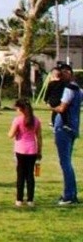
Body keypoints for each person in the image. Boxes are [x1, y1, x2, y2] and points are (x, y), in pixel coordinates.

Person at [50, 62, 81, 206]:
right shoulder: (79, 89)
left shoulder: (69, 89)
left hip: (64, 127)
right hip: (73, 127)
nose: (61, 75)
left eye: (63, 73)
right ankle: (72, 193)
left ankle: (68, 195)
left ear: (69, 73)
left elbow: (62, 108)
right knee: (68, 162)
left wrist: (52, 107)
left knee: (65, 163)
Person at [8, 98, 42, 207]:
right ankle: (30, 200)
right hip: (32, 150)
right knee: (30, 176)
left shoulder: (18, 120)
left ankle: (19, 199)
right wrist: (39, 151)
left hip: (20, 150)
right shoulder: (36, 120)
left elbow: (10, 135)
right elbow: (39, 137)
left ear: (21, 109)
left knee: (20, 176)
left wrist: (16, 132)